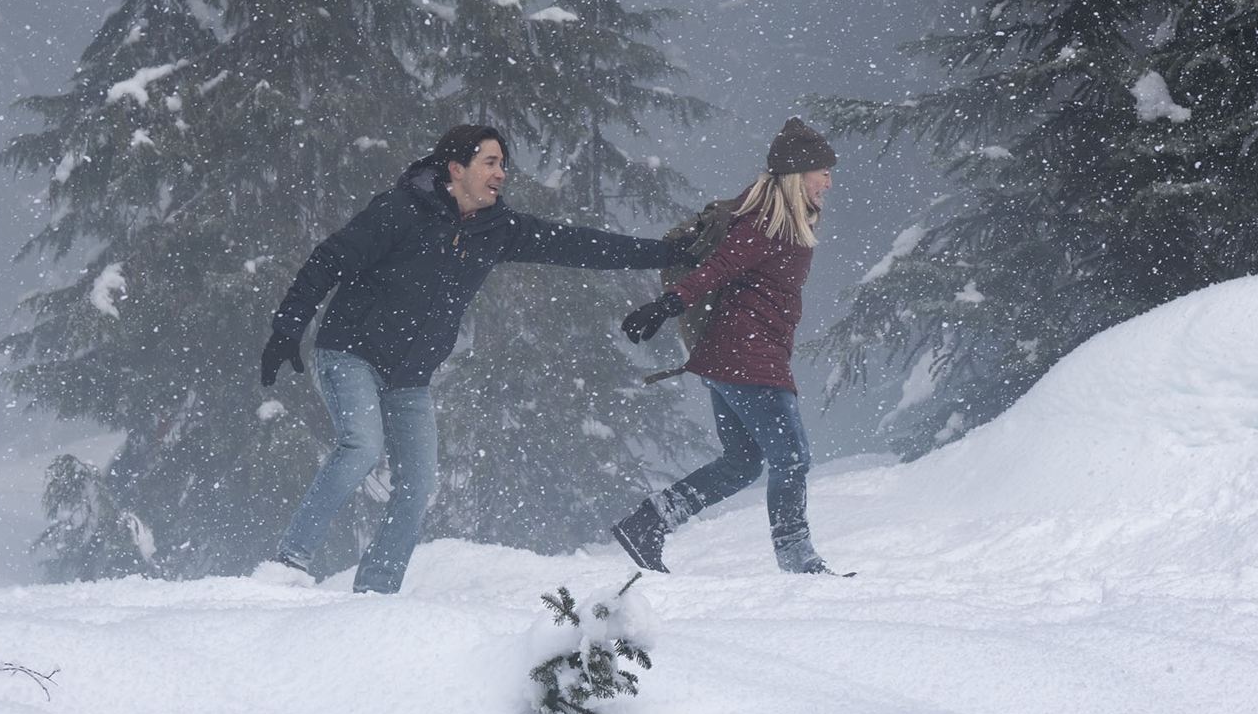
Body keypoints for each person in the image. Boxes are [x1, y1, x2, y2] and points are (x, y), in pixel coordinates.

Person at [257, 124, 682, 594]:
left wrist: (666, 254)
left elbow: (577, 244)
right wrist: (288, 327)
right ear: (456, 169)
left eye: (503, 165)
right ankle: (289, 562)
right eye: (490, 163)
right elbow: (329, 259)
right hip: (350, 352)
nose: (501, 174)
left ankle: (375, 592)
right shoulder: (402, 210)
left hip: (409, 376)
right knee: (362, 446)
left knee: (418, 484)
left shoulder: (496, 230)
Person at [611, 117, 850, 577]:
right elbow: (717, 268)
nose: (828, 181)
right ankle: (798, 560)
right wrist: (665, 305)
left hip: (732, 357)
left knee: (742, 463)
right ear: (797, 175)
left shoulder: (783, 221)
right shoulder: (767, 223)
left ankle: (649, 523)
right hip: (748, 358)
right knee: (792, 458)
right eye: (822, 171)